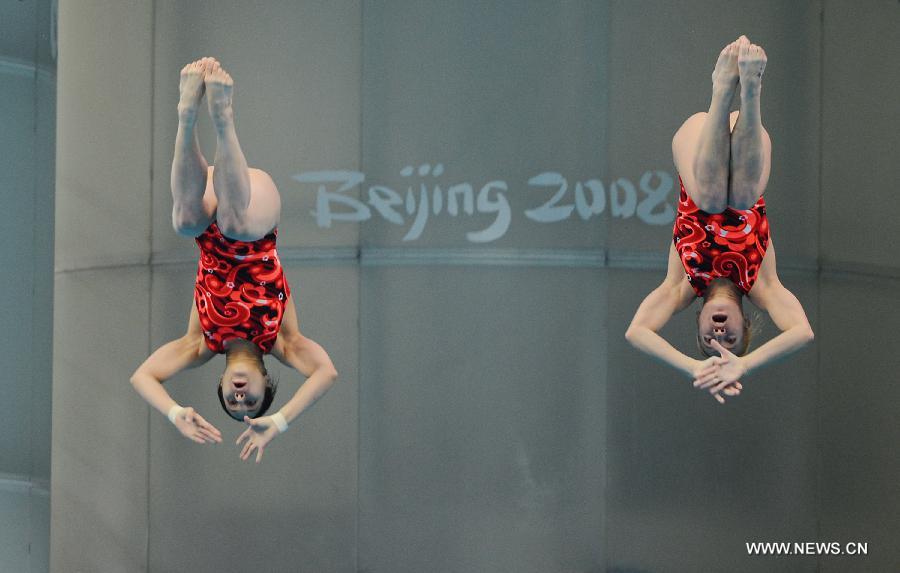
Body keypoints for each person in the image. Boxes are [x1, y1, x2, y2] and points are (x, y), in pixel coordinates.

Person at [130, 58, 338, 461]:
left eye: (231, 402)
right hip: (253, 207)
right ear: (265, 380)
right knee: (236, 223)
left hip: (209, 205)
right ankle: (223, 116)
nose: (240, 399)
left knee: (185, 222)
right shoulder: (282, 341)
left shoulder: (201, 343)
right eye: (251, 402)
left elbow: (143, 376)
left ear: (222, 382)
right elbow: (327, 372)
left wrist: (175, 413)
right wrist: (278, 421)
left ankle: (187, 116)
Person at [625, 36, 814, 404]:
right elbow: (803, 332)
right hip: (748, 148)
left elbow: (636, 332)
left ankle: (722, 88)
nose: (719, 332)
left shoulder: (681, 286)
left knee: (709, 199)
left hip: (699, 140)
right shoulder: (761, 283)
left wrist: (691, 367)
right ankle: (751, 90)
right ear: (746, 322)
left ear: (697, 321)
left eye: (709, 338)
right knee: (743, 197)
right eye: (730, 339)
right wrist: (746, 364)